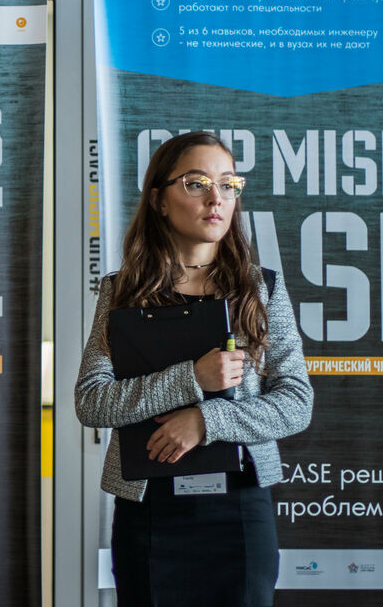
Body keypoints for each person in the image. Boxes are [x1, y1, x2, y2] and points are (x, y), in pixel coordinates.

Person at [74, 131, 313, 606]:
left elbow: (296, 403)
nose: (215, 198)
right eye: (197, 183)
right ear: (159, 200)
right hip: (149, 511)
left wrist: (205, 420)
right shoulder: (122, 291)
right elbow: (92, 402)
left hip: (240, 510)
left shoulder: (261, 289)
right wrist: (191, 379)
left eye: (228, 184)